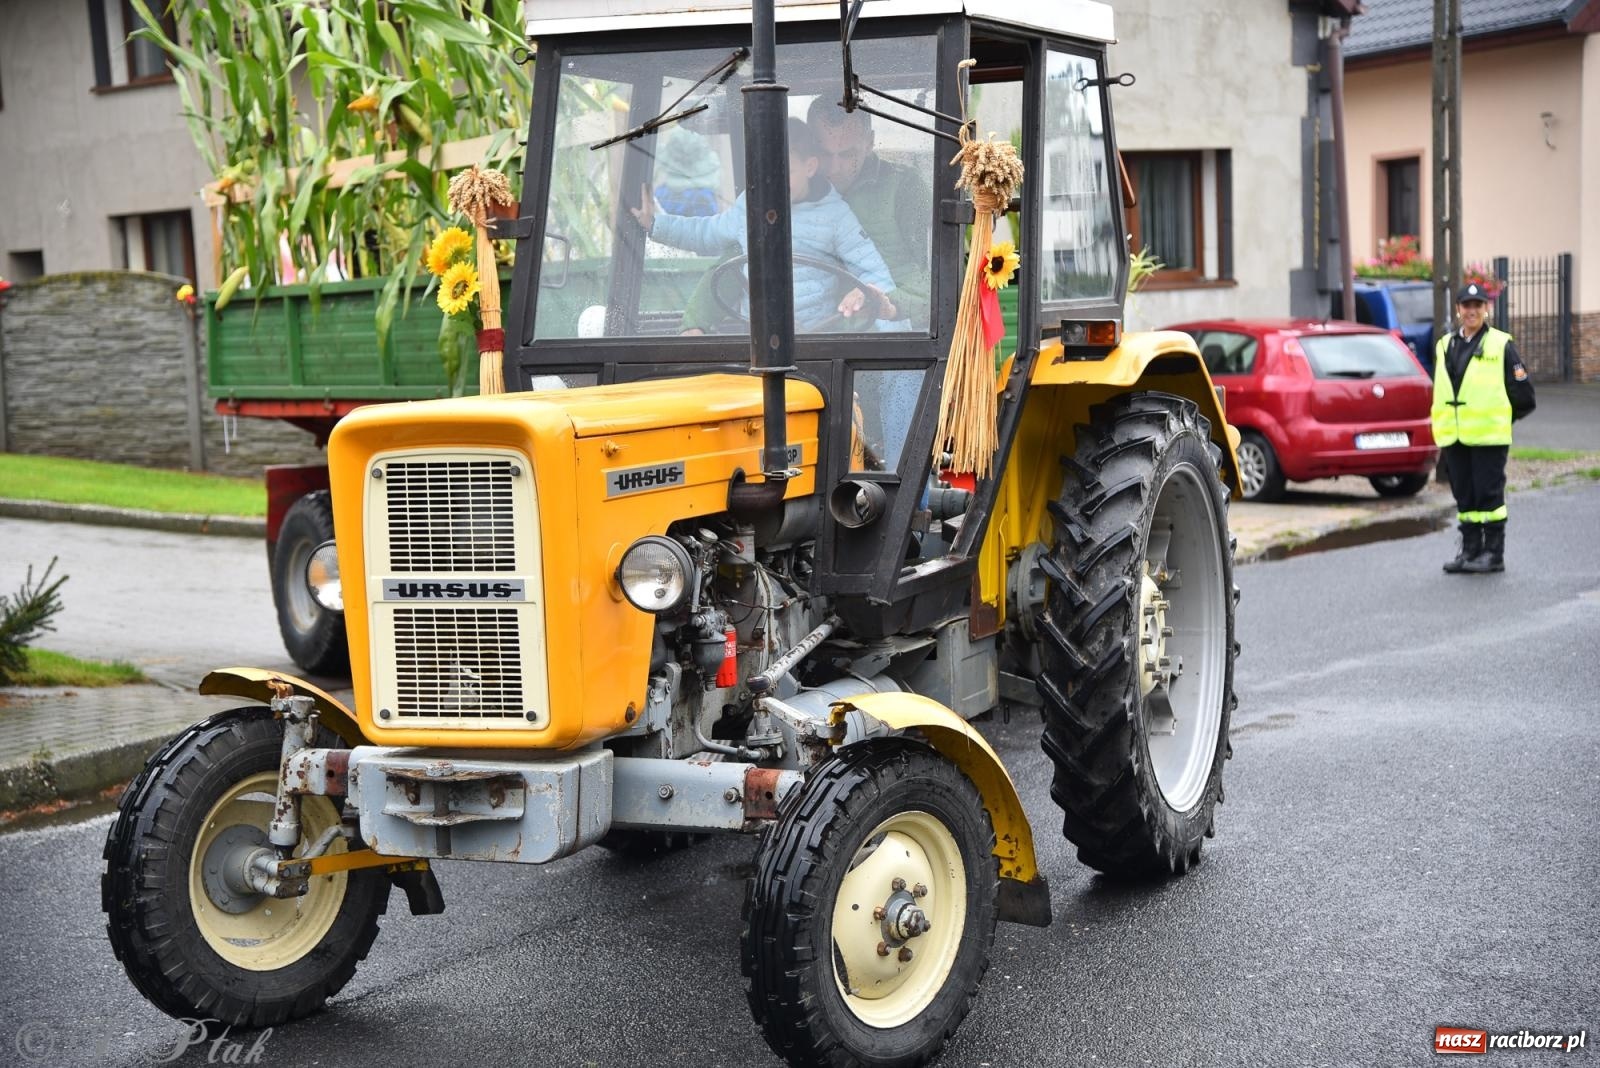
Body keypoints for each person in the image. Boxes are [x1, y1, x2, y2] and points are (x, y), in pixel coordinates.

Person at [632, 117, 898, 332]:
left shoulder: (836, 215)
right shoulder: (750, 205)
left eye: (786, 173)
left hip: (817, 338)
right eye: (768, 174)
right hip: (754, 339)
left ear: (810, 166)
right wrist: (656, 225)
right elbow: (706, 233)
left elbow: (873, 271)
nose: (775, 184)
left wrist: (867, 294)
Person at [1434, 281, 1536, 574]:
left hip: (1489, 437)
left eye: (1477, 306)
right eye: (1467, 305)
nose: (1472, 311)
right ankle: (1470, 550)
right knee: (1465, 497)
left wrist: (1503, 418)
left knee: (1489, 497)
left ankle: (1493, 553)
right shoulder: (1445, 345)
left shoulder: (1500, 344)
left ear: (1485, 309)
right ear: (1458, 309)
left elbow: (1524, 395)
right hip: (1454, 436)